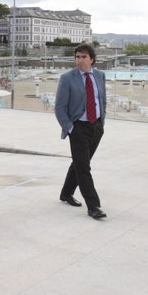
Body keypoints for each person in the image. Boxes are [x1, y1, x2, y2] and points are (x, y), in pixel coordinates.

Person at [54, 43, 107, 220]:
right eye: (77, 57)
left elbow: (102, 100)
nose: (80, 60)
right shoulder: (67, 78)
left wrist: (101, 123)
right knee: (84, 167)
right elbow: (60, 108)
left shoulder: (100, 76)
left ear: (92, 59)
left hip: (96, 127)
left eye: (84, 57)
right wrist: (70, 129)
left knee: (79, 162)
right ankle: (93, 206)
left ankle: (66, 193)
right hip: (78, 127)